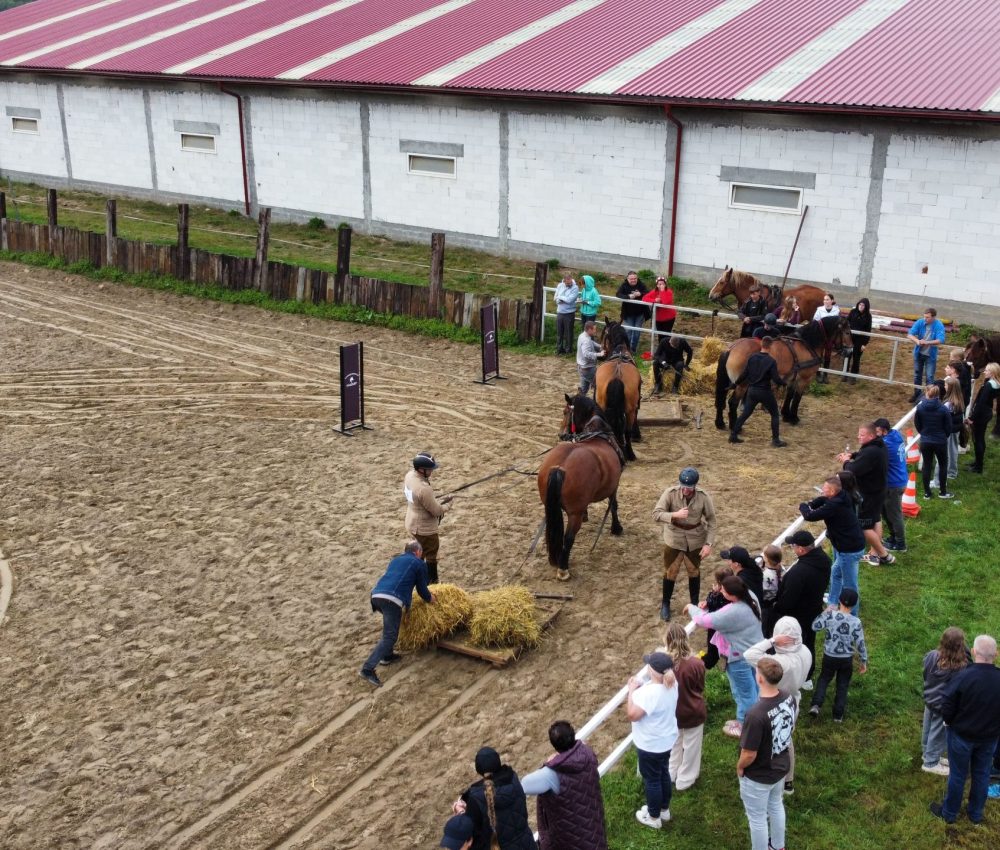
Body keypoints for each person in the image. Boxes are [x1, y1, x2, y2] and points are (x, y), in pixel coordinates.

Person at [930, 635, 1000, 825]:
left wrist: (948, 722)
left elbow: (947, 702)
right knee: (982, 773)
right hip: (989, 738)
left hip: (961, 735)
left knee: (958, 774)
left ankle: (950, 813)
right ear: (996, 654)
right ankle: (975, 814)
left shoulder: (963, 676)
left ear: (975, 652)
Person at [687, 576, 764, 737]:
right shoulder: (750, 596)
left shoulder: (734, 612)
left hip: (739, 656)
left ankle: (745, 726)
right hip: (753, 650)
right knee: (753, 687)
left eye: (723, 590)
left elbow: (704, 620)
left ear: (731, 594)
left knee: (744, 692)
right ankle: (750, 717)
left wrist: (691, 607)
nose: (720, 591)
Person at [744, 616, 812, 796]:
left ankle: (771, 778)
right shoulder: (806, 651)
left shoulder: (779, 664)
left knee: (776, 743)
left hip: (775, 704)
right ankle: (788, 781)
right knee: (786, 740)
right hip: (794, 699)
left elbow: (749, 654)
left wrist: (772, 640)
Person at [737, 657, 796, 850]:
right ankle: (778, 846)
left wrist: (739, 767)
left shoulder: (756, 714)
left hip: (759, 774)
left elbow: (749, 754)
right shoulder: (789, 697)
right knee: (776, 805)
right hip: (780, 766)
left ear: (760, 679)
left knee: (757, 819)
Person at [520, 721, 607, 850]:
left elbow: (524, 785)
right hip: (593, 825)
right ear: (573, 735)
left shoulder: (550, 774)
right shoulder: (587, 754)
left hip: (570, 836)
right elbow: (581, 745)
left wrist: (550, 762)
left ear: (554, 745)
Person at [359, 541, 433, 687]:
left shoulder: (396, 559)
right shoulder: (419, 564)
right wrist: (431, 598)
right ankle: (367, 669)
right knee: (390, 635)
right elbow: (422, 590)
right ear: (418, 552)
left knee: (390, 626)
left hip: (376, 596)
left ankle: (387, 656)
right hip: (392, 599)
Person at [652, 467, 717, 621]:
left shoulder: (703, 497)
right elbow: (656, 514)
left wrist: (708, 544)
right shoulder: (670, 493)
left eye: (689, 488)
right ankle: (665, 603)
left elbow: (712, 521)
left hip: (695, 539)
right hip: (674, 538)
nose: (686, 490)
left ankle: (694, 604)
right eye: (683, 486)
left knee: (693, 571)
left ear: (695, 486)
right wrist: (675, 515)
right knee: (671, 571)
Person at [765, 529, 831, 681]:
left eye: (793, 546)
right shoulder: (824, 560)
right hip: (814, 608)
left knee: (794, 645)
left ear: (801, 549)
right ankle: (808, 675)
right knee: (809, 642)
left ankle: (798, 675)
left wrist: (776, 607)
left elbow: (788, 600)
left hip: (797, 615)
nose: (792, 549)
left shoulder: (798, 572)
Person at [798, 475, 865, 615]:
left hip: (848, 550)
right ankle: (833, 605)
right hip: (848, 546)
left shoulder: (834, 505)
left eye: (825, 488)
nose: (822, 490)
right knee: (835, 573)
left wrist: (803, 506)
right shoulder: (842, 496)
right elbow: (823, 499)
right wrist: (813, 502)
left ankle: (852, 617)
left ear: (833, 492)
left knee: (850, 585)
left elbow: (810, 516)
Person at [626, 651, 679, 829]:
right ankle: (664, 810)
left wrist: (632, 690)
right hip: (666, 741)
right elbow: (654, 692)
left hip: (650, 745)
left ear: (652, 670)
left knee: (652, 780)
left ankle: (654, 817)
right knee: (663, 773)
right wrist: (643, 686)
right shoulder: (672, 683)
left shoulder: (648, 694)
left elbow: (632, 715)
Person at [452, 747, 537, 850]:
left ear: (478, 769)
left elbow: (470, 839)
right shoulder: (513, 779)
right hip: (527, 845)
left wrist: (461, 813)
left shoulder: (476, 798)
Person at [836, 422, 895, 566]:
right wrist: (854, 454)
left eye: (862, 435)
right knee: (875, 519)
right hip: (879, 490)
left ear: (871, 435)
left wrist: (846, 461)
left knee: (863, 525)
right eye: (858, 434)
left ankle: (884, 554)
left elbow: (853, 470)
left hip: (869, 493)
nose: (858, 437)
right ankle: (874, 554)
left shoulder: (871, 452)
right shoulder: (879, 445)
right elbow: (864, 455)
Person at [658, 623, 706, 791]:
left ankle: (670, 773)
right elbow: (700, 687)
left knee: (674, 744)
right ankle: (685, 779)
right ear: (686, 639)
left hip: (673, 713)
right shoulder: (697, 664)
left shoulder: (662, 666)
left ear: (667, 641)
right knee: (692, 747)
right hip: (693, 711)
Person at [808, 589, 868, 722]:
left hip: (829, 656)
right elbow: (860, 643)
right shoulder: (856, 622)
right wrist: (863, 661)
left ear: (839, 600)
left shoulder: (830, 615)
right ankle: (838, 715)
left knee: (824, 679)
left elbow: (815, 627)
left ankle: (816, 705)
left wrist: (825, 612)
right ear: (854, 604)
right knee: (842, 685)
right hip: (846, 659)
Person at [921, 627, 969, 776]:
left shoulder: (931, 655)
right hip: (943, 705)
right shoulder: (959, 667)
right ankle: (930, 762)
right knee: (938, 733)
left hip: (929, 698)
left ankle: (927, 752)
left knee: (928, 727)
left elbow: (925, 673)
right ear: (960, 646)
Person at [729, 336, 788, 448]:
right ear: (770, 347)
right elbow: (775, 378)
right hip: (765, 392)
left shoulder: (752, 357)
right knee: (775, 414)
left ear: (762, 345)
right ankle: (775, 440)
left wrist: (735, 383)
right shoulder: (771, 361)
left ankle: (733, 435)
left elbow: (744, 374)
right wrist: (783, 383)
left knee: (745, 413)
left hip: (752, 391)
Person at [404, 452, 452, 583]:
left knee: (419, 553)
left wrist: (435, 500)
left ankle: (418, 577)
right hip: (425, 529)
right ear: (421, 469)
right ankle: (432, 581)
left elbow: (422, 500)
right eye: (430, 469)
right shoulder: (424, 488)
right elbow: (436, 511)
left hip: (411, 521)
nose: (431, 471)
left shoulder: (409, 476)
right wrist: (448, 504)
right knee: (430, 554)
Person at [874, 418, 908, 553]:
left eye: (877, 431)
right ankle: (894, 538)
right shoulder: (896, 435)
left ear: (884, 431)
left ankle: (901, 544)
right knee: (887, 512)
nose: (875, 434)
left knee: (895, 514)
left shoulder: (886, 444)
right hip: (898, 479)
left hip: (893, 483)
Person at [915, 385, 953, 499]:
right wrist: (943, 436)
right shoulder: (943, 408)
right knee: (942, 465)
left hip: (926, 441)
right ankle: (943, 492)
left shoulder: (920, 408)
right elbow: (948, 426)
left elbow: (917, 424)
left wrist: (924, 433)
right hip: (940, 441)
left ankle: (927, 493)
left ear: (927, 393)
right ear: (938, 394)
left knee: (927, 466)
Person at [965, 361, 1000, 473]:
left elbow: (981, 403)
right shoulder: (994, 383)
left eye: (987, 370)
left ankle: (978, 466)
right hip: (986, 412)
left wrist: (972, 418)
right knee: (979, 439)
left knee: (978, 439)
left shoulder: (989, 385)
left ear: (993, 372)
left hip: (981, 415)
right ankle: (977, 462)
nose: (985, 372)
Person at [907, 307, 947, 402]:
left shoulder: (939, 325)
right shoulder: (920, 322)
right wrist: (917, 341)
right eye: (925, 317)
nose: (925, 319)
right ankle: (917, 394)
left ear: (933, 317)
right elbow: (909, 334)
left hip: (930, 355)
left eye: (928, 317)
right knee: (917, 375)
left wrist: (927, 342)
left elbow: (940, 340)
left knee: (929, 377)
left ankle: (929, 397)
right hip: (919, 353)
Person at [699, 564, 734, 670]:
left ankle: (708, 663)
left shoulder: (719, 596)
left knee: (713, 648)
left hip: (716, 626)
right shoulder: (736, 590)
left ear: (719, 582)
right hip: (730, 626)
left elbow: (711, 603)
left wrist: (713, 592)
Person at [937, 376, 964, 483]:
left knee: (947, 452)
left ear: (951, 387)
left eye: (946, 385)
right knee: (953, 450)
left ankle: (949, 472)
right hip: (955, 429)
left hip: (949, 430)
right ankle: (952, 472)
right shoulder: (959, 398)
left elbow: (943, 417)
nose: (944, 386)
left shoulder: (949, 403)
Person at [615, 271, 648, 353]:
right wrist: (628, 296)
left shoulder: (641, 284)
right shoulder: (624, 285)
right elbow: (618, 294)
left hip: (640, 313)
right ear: (627, 279)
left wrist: (640, 294)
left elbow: (647, 292)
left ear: (637, 278)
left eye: (635, 278)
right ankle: (626, 348)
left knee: (637, 332)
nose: (633, 280)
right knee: (628, 331)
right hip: (628, 313)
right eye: (631, 279)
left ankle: (633, 349)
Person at [812, 292, 840, 382]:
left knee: (827, 355)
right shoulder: (819, 310)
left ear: (832, 301)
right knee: (819, 354)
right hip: (821, 335)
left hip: (830, 336)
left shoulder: (836, 311)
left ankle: (825, 375)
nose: (825, 301)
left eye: (827, 299)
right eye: (824, 299)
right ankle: (818, 374)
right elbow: (815, 322)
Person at [845, 297, 872, 382]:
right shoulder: (853, 312)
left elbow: (868, 330)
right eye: (860, 304)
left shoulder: (868, 316)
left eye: (863, 305)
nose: (861, 306)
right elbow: (846, 322)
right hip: (850, 338)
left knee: (856, 358)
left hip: (860, 340)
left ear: (866, 306)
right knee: (847, 356)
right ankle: (844, 374)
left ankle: (853, 376)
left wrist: (864, 344)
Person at [554, 272, 579, 355]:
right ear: (564, 281)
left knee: (569, 333)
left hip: (569, 313)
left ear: (571, 279)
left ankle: (568, 351)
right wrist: (560, 299)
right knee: (559, 332)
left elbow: (570, 300)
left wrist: (560, 297)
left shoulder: (575, 288)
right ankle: (559, 349)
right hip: (560, 312)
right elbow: (555, 298)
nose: (569, 284)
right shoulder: (560, 285)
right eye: (567, 282)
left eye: (570, 282)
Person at [575, 320, 602, 396]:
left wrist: (599, 346)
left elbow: (591, 342)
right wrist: (599, 354)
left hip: (581, 368)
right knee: (599, 386)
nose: (595, 331)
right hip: (588, 369)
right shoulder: (586, 340)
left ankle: (576, 403)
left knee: (583, 390)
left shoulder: (582, 335)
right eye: (594, 329)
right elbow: (586, 354)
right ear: (589, 329)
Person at [759, 545, 783, 609]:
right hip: (777, 599)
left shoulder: (765, 575)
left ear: (766, 558)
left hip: (769, 604)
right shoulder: (781, 568)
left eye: (764, 555)